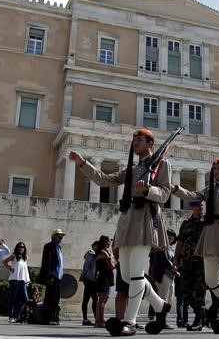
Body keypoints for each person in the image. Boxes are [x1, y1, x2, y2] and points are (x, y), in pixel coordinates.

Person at [70, 127, 173, 336]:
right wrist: (82, 163)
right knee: (127, 276)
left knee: (135, 276)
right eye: (134, 140)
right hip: (127, 221)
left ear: (150, 143)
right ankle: (161, 305)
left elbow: (164, 193)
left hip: (145, 218)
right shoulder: (132, 169)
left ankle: (131, 322)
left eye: (140, 140)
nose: (135, 143)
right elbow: (103, 180)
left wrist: (148, 189)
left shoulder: (162, 165)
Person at [172, 157, 219, 334]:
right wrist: (175, 188)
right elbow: (192, 196)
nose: (215, 170)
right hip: (210, 234)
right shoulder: (209, 189)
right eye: (214, 168)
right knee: (210, 280)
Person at [176, 199, 206, 331]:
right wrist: (176, 258)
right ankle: (202, 313)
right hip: (187, 261)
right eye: (197, 206)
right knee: (186, 290)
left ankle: (198, 320)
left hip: (202, 261)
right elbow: (180, 242)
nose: (200, 208)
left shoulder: (207, 223)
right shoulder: (186, 224)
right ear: (192, 207)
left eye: (202, 206)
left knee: (200, 291)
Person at [148, 229, 177, 329]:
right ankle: (160, 321)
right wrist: (174, 270)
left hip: (170, 277)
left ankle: (164, 320)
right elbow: (165, 261)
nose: (170, 238)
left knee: (169, 299)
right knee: (162, 298)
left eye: (172, 236)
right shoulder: (161, 247)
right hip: (163, 275)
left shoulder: (170, 249)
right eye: (168, 236)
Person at [38, 229, 65, 326]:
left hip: (58, 277)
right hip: (52, 277)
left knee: (56, 298)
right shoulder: (49, 246)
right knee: (50, 298)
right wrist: (49, 276)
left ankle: (53, 318)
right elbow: (47, 262)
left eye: (62, 235)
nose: (61, 237)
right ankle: (46, 319)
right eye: (58, 235)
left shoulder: (59, 247)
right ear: (53, 236)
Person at [3, 242, 30, 323]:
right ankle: (11, 317)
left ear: (24, 248)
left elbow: (25, 270)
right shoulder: (14, 256)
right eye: (19, 247)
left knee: (25, 298)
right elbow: (4, 261)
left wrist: (27, 280)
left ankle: (16, 315)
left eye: (22, 247)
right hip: (14, 279)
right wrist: (9, 268)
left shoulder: (25, 257)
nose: (21, 248)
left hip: (22, 280)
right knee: (12, 298)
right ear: (17, 248)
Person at [95, 235, 116, 327]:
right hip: (104, 278)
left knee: (104, 299)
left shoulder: (104, 252)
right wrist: (112, 260)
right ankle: (99, 321)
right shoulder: (103, 252)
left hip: (106, 278)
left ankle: (100, 320)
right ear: (104, 241)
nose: (109, 243)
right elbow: (111, 266)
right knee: (102, 300)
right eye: (108, 241)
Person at [80, 240, 99, 326]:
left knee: (94, 299)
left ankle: (95, 318)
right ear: (94, 246)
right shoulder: (91, 254)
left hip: (93, 280)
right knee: (88, 299)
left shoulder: (97, 255)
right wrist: (83, 275)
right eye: (97, 246)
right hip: (89, 279)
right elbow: (86, 265)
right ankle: (85, 319)